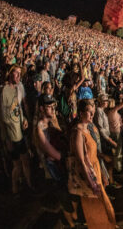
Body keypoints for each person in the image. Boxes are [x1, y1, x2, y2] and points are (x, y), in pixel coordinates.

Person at [69, 99, 116, 228]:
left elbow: (94, 154)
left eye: (93, 112)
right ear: (81, 113)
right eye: (89, 112)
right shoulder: (78, 132)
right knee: (96, 210)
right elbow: (81, 161)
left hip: (96, 171)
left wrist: (102, 172)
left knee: (103, 206)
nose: (92, 115)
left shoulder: (89, 128)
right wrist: (91, 183)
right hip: (88, 177)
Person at [35, 93, 78, 227]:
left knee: (71, 191)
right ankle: (70, 223)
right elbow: (48, 150)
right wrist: (66, 157)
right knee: (64, 193)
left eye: (53, 106)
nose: (53, 109)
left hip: (62, 160)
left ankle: (73, 216)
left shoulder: (53, 120)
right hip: (54, 165)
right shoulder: (39, 127)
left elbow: (61, 136)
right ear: (42, 108)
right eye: (49, 107)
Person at [0, 64, 33, 194]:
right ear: (9, 74)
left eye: (20, 73)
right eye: (15, 73)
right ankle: (15, 189)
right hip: (11, 134)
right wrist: (6, 138)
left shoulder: (18, 89)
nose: (18, 76)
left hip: (19, 131)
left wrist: (24, 119)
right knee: (17, 165)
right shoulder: (4, 90)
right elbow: (2, 116)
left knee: (26, 160)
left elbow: (19, 107)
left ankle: (29, 186)